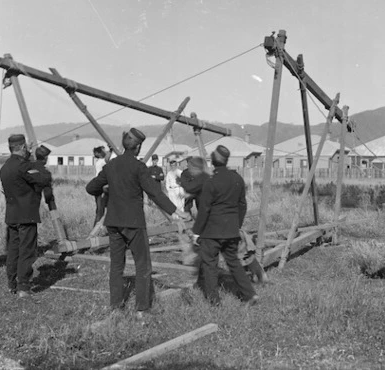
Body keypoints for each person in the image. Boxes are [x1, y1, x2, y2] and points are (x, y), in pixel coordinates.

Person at [86, 128, 188, 318]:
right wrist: (175, 211)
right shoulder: (139, 167)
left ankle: (116, 308)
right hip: (133, 223)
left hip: (113, 223)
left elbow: (91, 188)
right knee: (143, 265)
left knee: (117, 266)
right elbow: (155, 193)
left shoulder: (111, 166)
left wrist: (108, 188)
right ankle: (142, 309)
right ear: (139, 146)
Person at [191, 145, 258, 307]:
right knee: (234, 263)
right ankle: (250, 294)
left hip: (211, 232)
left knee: (210, 265)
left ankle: (214, 301)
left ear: (213, 162)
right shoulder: (237, 179)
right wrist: (237, 225)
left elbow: (204, 209)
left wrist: (196, 232)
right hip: (231, 231)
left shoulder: (210, 182)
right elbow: (242, 205)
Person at [0, 134, 53, 298]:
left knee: (13, 250)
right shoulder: (23, 166)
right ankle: (24, 286)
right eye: (26, 148)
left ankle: (12, 283)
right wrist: (35, 161)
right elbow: (44, 179)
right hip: (26, 215)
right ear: (23, 147)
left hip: (12, 215)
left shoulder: (5, 167)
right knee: (27, 251)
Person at [92, 146, 109, 229]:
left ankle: (96, 229)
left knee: (100, 209)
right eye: (103, 150)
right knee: (100, 210)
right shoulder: (102, 162)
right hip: (101, 188)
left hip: (100, 187)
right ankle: (95, 231)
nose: (104, 151)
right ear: (98, 153)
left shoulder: (100, 161)